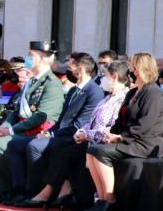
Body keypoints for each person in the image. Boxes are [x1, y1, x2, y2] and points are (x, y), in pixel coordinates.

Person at [23, 60, 129, 210]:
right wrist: (82, 132)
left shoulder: (121, 98)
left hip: (102, 141)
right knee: (60, 146)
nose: (102, 79)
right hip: (90, 137)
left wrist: (87, 135)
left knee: (68, 152)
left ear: (115, 77)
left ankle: (48, 192)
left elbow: (112, 126)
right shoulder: (107, 97)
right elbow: (92, 120)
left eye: (105, 76)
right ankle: (61, 192)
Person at [9, 52, 104, 208]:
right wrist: (48, 132)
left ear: (80, 69)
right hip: (61, 134)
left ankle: (35, 191)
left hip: (75, 136)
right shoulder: (74, 90)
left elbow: (80, 125)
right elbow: (61, 121)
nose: (68, 70)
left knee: (35, 146)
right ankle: (19, 191)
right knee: (14, 145)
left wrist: (50, 134)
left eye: (70, 67)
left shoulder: (94, 91)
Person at [0, 41, 64, 204]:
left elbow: (40, 117)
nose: (27, 58)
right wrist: (5, 128)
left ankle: (16, 190)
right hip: (22, 128)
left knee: (0, 145)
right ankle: (1, 190)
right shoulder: (31, 82)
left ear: (42, 59)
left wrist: (10, 132)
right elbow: (17, 112)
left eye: (31, 55)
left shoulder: (52, 84)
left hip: (37, 131)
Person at [85, 53, 163, 211]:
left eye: (132, 67)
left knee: (99, 152)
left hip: (145, 142)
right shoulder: (132, 92)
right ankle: (101, 199)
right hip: (131, 139)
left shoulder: (153, 93)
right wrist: (111, 134)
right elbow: (121, 119)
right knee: (92, 150)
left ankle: (109, 198)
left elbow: (145, 123)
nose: (130, 70)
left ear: (140, 69)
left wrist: (120, 138)